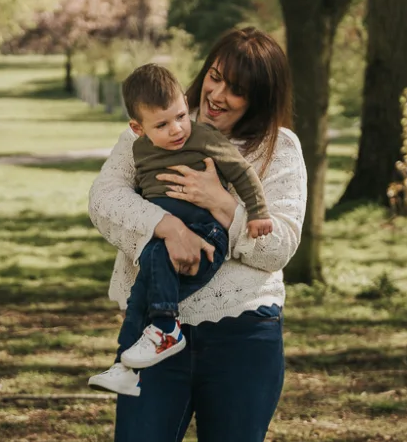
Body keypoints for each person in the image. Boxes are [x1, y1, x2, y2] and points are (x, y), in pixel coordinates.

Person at [66, 27, 307, 442]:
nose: (218, 93)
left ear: (261, 96)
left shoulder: (277, 150)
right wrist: (165, 227)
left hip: (244, 341)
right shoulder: (155, 126)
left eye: (237, 86)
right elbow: (105, 202)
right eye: (216, 77)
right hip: (154, 336)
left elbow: (277, 244)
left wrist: (218, 202)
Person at [88, 62, 273, 394]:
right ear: (138, 128)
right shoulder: (136, 149)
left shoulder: (203, 137)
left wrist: (257, 214)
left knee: (146, 295)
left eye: (180, 116)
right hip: (161, 241)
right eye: (162, 124)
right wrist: (165, 227)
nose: (176, 129)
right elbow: (107, 197)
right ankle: (126, 367)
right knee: (138, 298)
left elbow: (243, 172)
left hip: (205, 233)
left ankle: (163, 329)